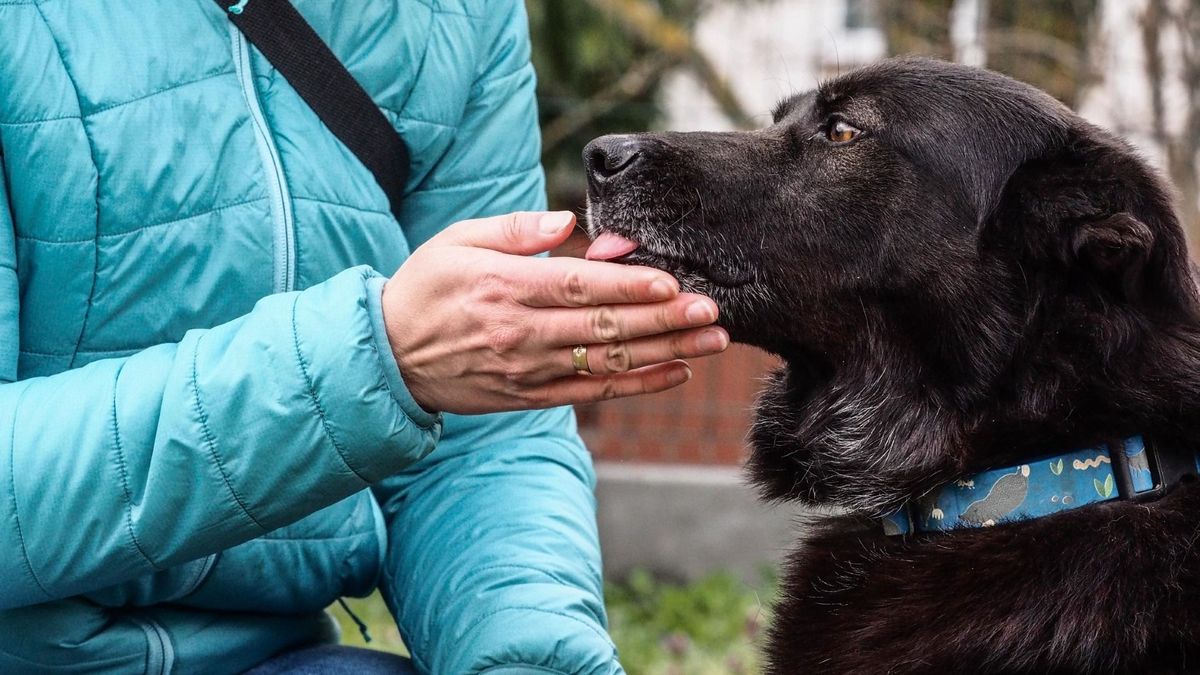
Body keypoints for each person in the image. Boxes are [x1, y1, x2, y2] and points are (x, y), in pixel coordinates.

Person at [0, 1, 729, 673]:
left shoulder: (455, 16)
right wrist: (375, 362)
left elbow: (489, 438)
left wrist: (527, 655)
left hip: (272, 654)